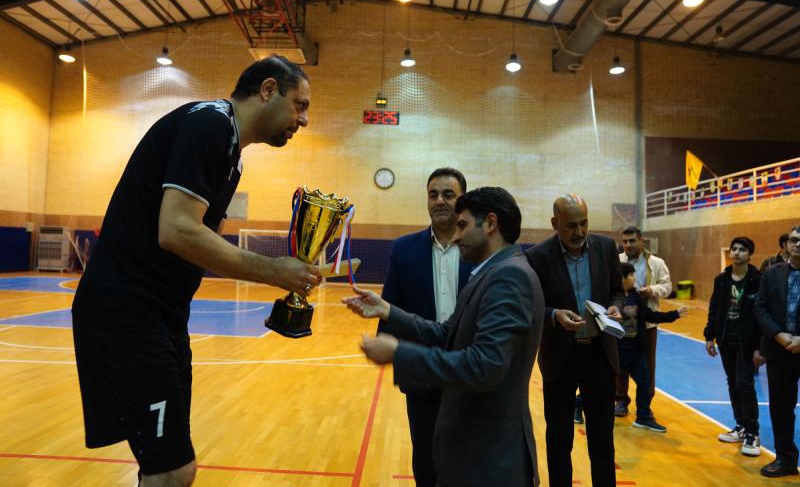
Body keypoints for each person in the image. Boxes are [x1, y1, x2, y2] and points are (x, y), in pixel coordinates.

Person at [71, 55, 321, 487]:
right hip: (125, 312)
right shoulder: (210, 125)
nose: (303, 120)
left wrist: (288, 272)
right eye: (300, 105)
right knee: (172, 469)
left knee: (167, 469)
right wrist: (274, 271)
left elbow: (199, 243)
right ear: (267, 90)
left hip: (162, 316)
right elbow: (177, 231)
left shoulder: (232, 154)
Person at [344, 187, 543, 486]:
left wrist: (400, 354)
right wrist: (389, 311)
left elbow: (485, 365)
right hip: (474, 452)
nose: (457, 235)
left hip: (489, 458)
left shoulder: (509, 277)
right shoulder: (491, 272)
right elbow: (447, 333)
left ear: (490, 224)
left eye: (463, 225)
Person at [379, 167, 474, 487]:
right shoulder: (403, 249)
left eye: (448, 194)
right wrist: (387, 347)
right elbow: (391, 306)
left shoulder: (479, 249)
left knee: (468, 462)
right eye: (433, 194)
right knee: (425, 460)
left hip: (470, 371)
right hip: (422, 373)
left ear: (463, 200)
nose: (439, 201)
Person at [525, 194, 623, 487]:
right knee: (559, 440)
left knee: (602, 439)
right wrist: (554, 315)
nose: (579, 232)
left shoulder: (606, 248)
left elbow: (617, 291)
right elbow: (530, 305)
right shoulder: (537, 257)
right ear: (555, 223)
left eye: (584, 223)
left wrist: (615, 306)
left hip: (600, 355)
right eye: (571, 226)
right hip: (560, 358)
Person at [704, 236, 764, 457]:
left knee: (744, 383)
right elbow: (714, 308)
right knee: (733, 382)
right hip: (725, 339)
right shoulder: (721, 280)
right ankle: (740, 426)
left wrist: (760, 346)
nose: (737, 253)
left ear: (750, 255)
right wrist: (709, 336)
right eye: (734, 249)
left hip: (746, 342)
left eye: (742, 249)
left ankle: (752, 432)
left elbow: (761, 314)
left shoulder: (757, 280)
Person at [753, 225, 800, 478]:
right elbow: (760, 308)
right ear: (787, 244)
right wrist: (778, 335)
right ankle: (786, 459)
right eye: (794, 240)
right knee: (781, 408)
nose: (798, 244)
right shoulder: (771, 273)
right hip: (779, 350)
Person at [618, 262, 687, 433]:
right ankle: (578, 404)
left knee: (644, 383)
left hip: (635, 350)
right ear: (622, 278)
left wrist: (674, 314)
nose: (634, 278)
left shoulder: (636, 297)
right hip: (617, 351)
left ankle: (642, 417)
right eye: (631, 275)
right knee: (602, 385)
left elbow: (650, 315)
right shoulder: (611, 298)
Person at [616, 226, 673, 417]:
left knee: (648, 364)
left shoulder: (656, 263)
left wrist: (651, 291)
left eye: (632, 240)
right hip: (621, 322)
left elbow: (667, 287)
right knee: (620, 364)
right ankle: (621, 400)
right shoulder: (617, 260)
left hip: (647, 322)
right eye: (625, 241)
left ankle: (645, 405)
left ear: (641, 240)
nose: (628, 245)